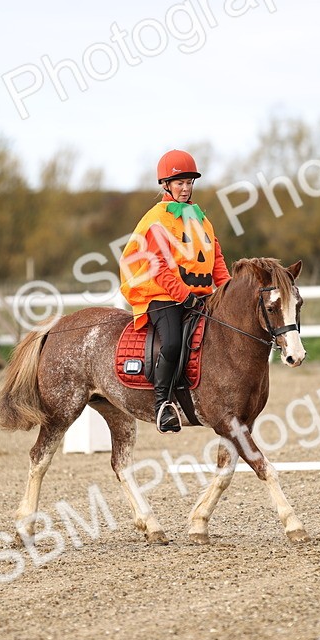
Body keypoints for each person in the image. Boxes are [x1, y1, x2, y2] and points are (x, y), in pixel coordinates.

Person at [120, 149, 231, 433]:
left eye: (189, 182)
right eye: (180, 182)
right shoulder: (156, 219)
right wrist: (185, 296)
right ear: (165, 185)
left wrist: (228, 292)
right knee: (171, 343)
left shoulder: (201, 219)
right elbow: (158, 267)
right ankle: (163, 405)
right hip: (161, 295)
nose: (185, 188)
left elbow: (216, 260)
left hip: (198, 296)